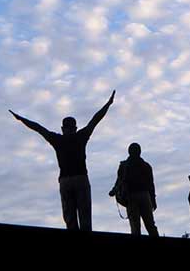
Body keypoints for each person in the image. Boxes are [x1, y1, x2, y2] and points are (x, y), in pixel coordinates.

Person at [9, 90, 115, 231]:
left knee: (70, 219)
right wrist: (108, 104)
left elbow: (38, 128)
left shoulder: (57, 139)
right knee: (85, 217)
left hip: (65, 181)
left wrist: (21, 119)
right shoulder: (80, 136)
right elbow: (95, 120)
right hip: (80, 179)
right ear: (75, 128)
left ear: (63, 128)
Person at [109, 142, 159, 237]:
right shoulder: (146, 166)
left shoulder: (124, 165)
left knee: (135, 226)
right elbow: (151, 185)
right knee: (149, 225)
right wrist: (153, 200)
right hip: (143, 196)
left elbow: (119, 181)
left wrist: (114, 190)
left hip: (132, 197)